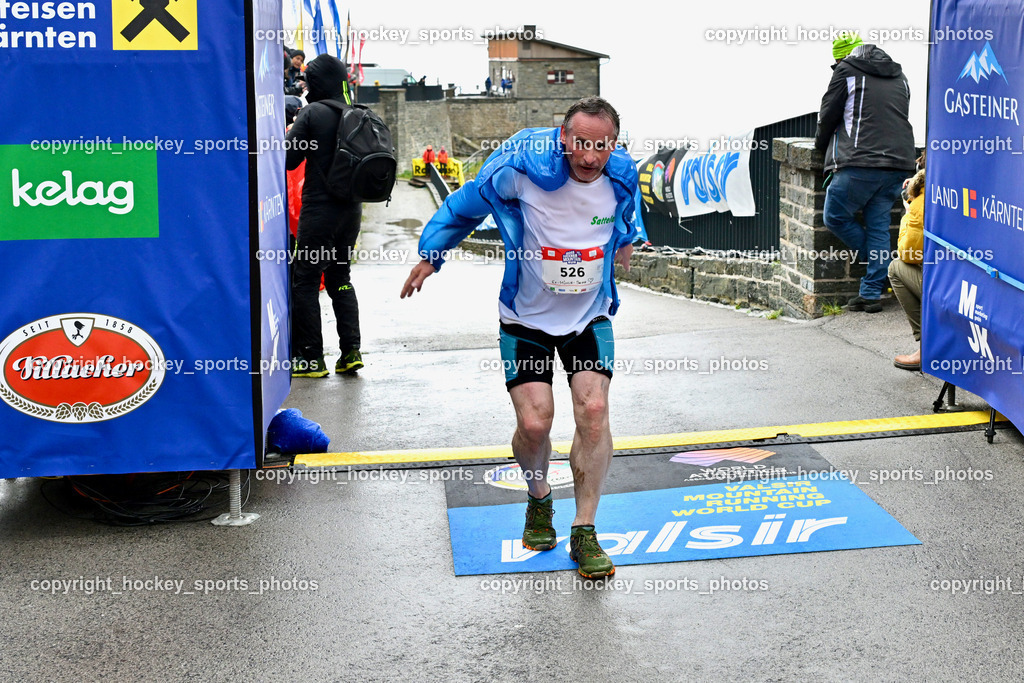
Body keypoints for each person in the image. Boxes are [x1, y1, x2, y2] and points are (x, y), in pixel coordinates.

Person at [400, 97, 639, 579]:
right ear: (564, 138)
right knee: (535, 424)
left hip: (587, 318)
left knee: (593, 410)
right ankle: (538, 500)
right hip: (525, 318)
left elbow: (629, 212)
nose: (591, 157)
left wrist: (628, 239)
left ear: (614, 144)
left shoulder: (621, 175)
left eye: (603, 146)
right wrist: (432, 254)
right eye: (582, 144)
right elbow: (463, 205)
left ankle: (585, 531)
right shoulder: (520, 170)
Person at [814, 32, 916, 313]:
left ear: (841, 56)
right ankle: (871, 292)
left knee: (834, 216)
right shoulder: (900, 75)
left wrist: (820, 147)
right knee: (879, 226)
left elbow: (827, 116)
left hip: (859, 164)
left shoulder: (845, 71)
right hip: (898, 165)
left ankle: (878, 269)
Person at [285, 54, 364, 377]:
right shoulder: (355, 113)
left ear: (317, 82)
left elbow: (289, 159)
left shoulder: (313, 113)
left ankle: (310, 357)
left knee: (304, 279)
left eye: (307, 79)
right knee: (340, 278)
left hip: (320, 211)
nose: (303, 84)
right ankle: (351, 351)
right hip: (352, 211)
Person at [889, 167, 925, 370]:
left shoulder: (922, 200)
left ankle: (926, 346)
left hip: (951, 289)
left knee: (896, 267)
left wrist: (909, 211)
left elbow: (909, 254)